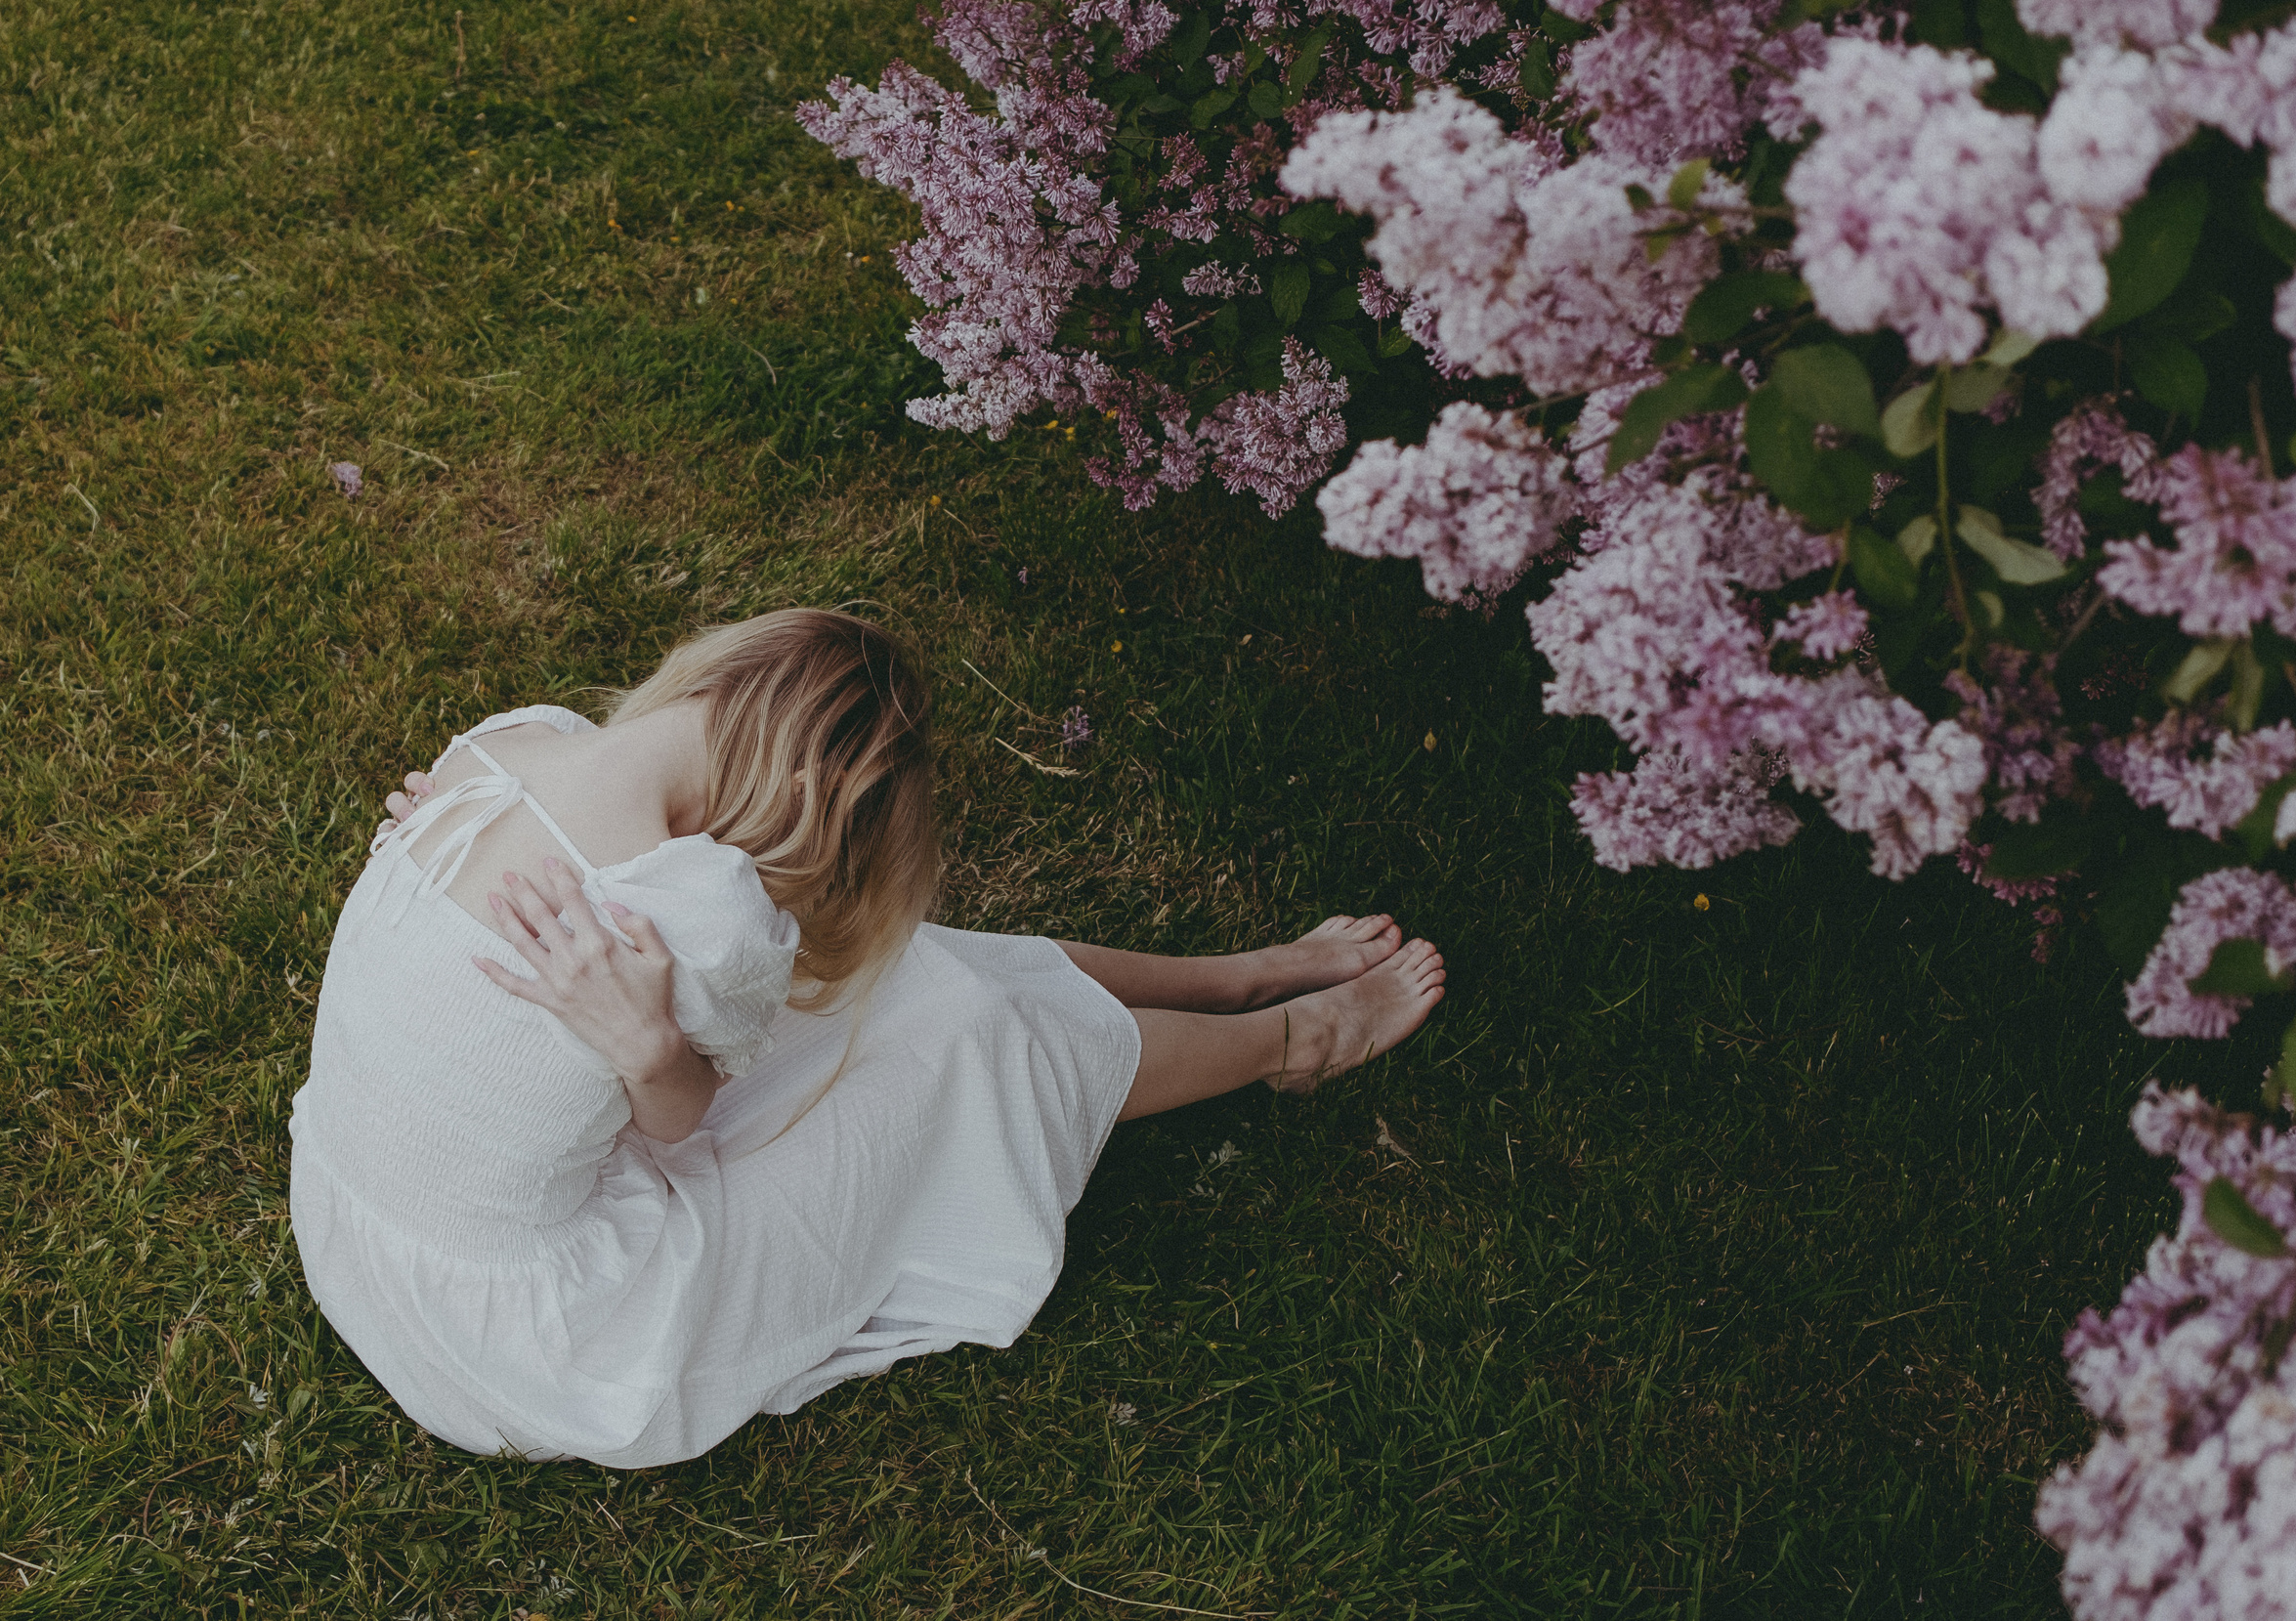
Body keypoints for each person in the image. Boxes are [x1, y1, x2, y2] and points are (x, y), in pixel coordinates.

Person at [288, 608, 1444, 1468]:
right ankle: (1288, 1039)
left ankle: (1238, 977)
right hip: (555, 1334)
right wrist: (647, 1051)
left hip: (361, 1229)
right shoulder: (700, 915)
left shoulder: (497, 750)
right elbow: (681, 1121)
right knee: (976, 1032)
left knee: (928, 989)